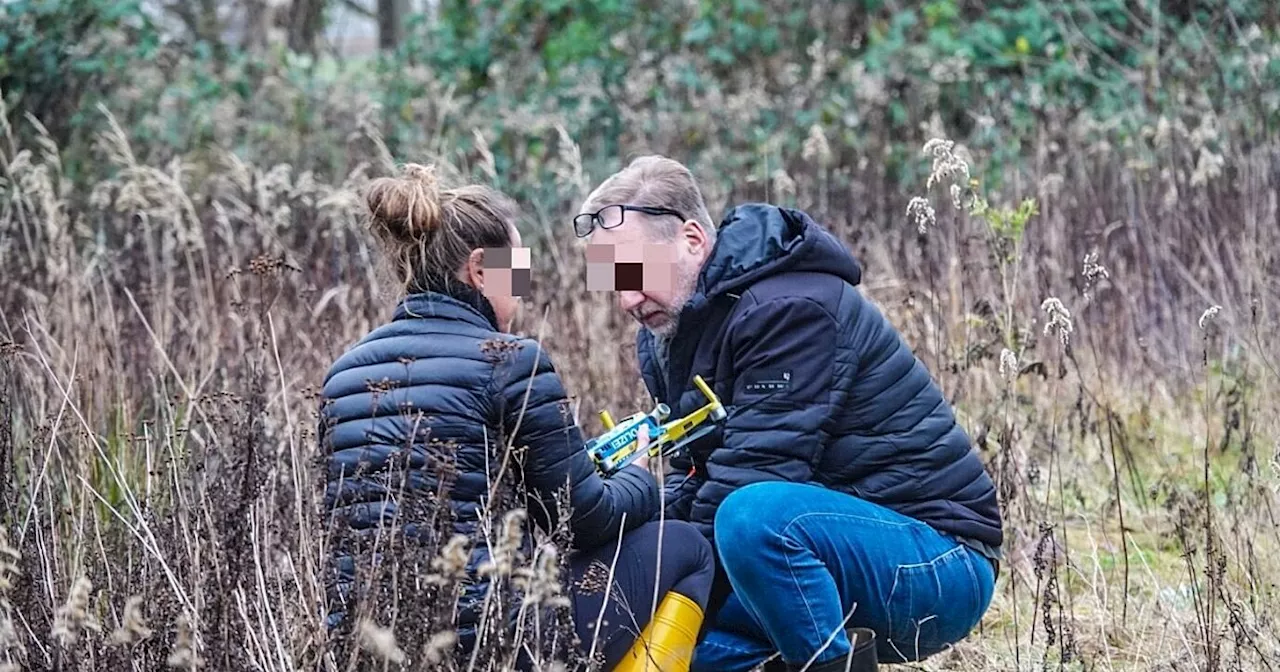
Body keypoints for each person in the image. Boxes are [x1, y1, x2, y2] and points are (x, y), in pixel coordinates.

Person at [573, 155, 1004, 671]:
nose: (626, 299)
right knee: (675, 647)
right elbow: (695, 477)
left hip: (937, 562)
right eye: (614, 282)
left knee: (750, 517)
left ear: (691, 238)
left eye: (635, 272)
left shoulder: (790, 307)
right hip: (809, 561)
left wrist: (666, 577)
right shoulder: (671, 332)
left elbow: (753, 475)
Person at [316, 162, 716, 671]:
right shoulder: (509, 359)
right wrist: (640, 478)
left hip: (368, 648)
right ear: (481, 270)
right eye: (518, 270)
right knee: (684, 545)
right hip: (495, 646)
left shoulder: (342, 376)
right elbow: (580, 523)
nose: (523, 291)